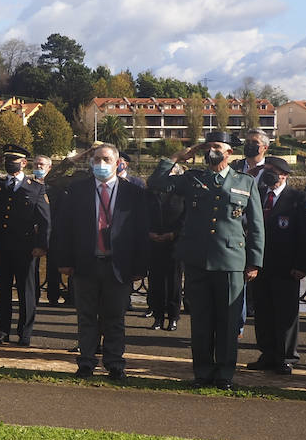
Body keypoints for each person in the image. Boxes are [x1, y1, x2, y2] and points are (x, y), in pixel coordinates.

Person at [148, 131, 264, 390]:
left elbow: (256, 226)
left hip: (231, 261)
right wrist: (177, 157)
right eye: (209, 147)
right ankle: (202, 372)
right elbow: (155, 183)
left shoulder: (245, 182)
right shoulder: (191, 179)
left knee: (228, 320)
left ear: (229, 152)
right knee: (200, 321)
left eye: (218, 147)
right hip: (197, 260)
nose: (212, 151)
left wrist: (254, 262)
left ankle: (224, 374)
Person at [50, 144, 149, 380]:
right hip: (86, 262)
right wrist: (64, 260)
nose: (100, 164)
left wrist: (139, 267)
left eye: (106, 159)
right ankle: (86, 361)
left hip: (119, 264)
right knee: (86, 316)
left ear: (118, 163)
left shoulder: (133, 193)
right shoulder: (77, 190)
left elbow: (140, 232)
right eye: (96, 160)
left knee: (115, 317)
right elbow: (63, 228)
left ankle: (115, 363)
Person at [0, 145, 50, 346]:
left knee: (26, 293)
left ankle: (24, 334)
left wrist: (42, 245)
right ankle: (1, 332)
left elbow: (45, 220)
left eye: (14, 160)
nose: (10, 164)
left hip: (26, 248)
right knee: (2, 291)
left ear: (24, 163)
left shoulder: (35, 187)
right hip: (1, 245)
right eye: (7, 160)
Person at [246, 156, 306, 374]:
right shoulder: (259, 195)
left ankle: (286, 357)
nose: (269, 174)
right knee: (263, 312)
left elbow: (305, 235)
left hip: (287, 267)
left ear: (284, 175)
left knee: (286, 314)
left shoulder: (298, 198)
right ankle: (268, 353)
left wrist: (302, 265)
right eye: (267, 170)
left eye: (273, 171)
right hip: (261, 265)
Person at [145, 167, 186, 332]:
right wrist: (149, 232)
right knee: (155, 281)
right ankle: (158, 316)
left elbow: (186, 218)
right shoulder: (150, 193)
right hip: (154, 243)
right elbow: (142, 215)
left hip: (175, 244)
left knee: (174, 282)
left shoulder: (182, 195)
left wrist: (174, 234)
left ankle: (173, 317)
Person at [34, 154, 70, 306]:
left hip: (53, 232)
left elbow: (61, 212)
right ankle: (33, 296)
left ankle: (53, 297)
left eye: (41, 164)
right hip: (32, 232)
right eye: (35, 165)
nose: (38, 167)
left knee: (53, 266)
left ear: (49, 167)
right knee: (32, 267)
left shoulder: (57, 189)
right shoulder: (28, 185)